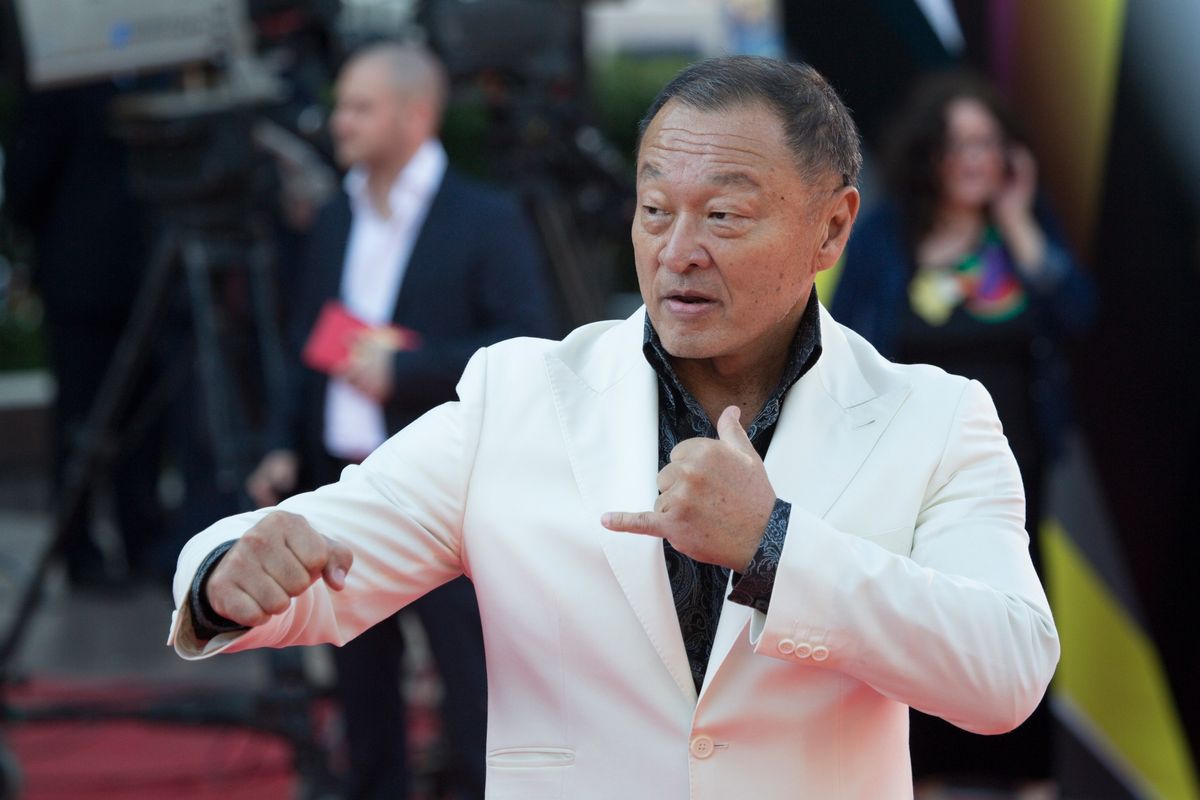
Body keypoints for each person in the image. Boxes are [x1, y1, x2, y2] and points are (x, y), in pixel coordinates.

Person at [170, 56, 1059, 798]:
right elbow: (319, 556)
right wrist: (226, 572)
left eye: (724, 215)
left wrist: (775, 549)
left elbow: (1007, 672)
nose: (677, 252)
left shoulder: (932, 417)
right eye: (655, 209)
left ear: (832, 228)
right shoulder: (517, 395)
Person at [241, 42, 559, 799]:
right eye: (342, 106)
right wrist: (281, 444)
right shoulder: (333, 217)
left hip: (447, 500)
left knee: (471, 685)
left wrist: (407, 365)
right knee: (360, 689)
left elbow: (529, 345)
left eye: (360, 107)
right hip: (343, 491)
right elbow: (305, 339)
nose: (339, 122)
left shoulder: (485, 218)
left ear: (416, 116)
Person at [831, 70, 1095, 790]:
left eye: (986, 143)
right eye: (957, 145)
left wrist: (1018, 220)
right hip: (912, 468)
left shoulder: (1021, 229)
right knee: (919, 608)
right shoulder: (887, 235)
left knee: (1017, 611)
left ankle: (1025, 777)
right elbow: (846, 338)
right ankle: (918, 776)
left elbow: (1077, 313)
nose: (974, 159)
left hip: (1018, 467)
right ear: (929, 156)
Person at [3, 81, 166, 589]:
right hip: (80, 280)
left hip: (149, 275)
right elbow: (27, 178)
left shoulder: (156, 71)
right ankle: (79, 551)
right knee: (81, 417)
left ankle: (143, 539)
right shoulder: (62, 81)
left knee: (144, 418)